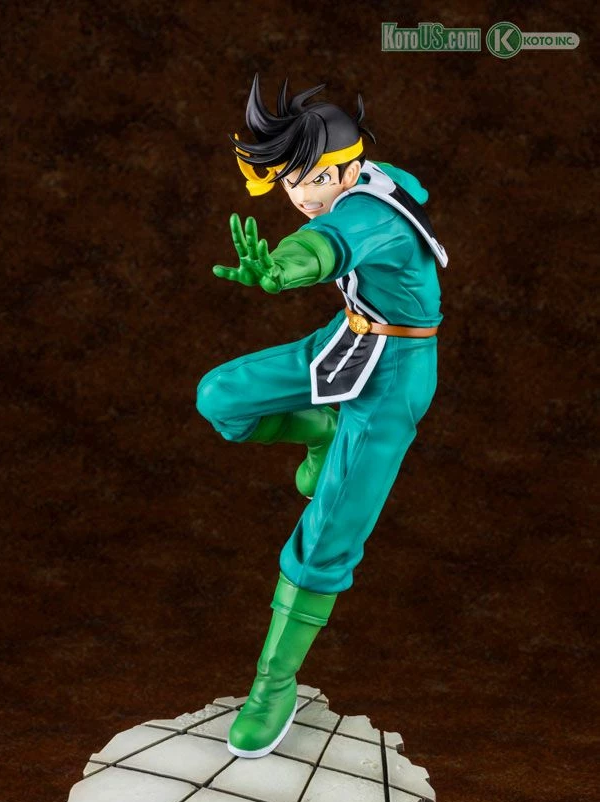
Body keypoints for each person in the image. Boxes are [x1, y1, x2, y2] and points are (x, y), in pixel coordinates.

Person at [196, 75, 447, 759]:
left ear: (345, 166)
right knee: (221, 397)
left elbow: (324, 245)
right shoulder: (370, 176)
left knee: (325, 536)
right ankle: (321, 429)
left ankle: (272, 683)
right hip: (346, 338)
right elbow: (333, 225)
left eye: (310, 179)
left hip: (394, 375)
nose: (301, 196)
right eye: (289, 183)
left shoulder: (367, 212)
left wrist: (280, 269)